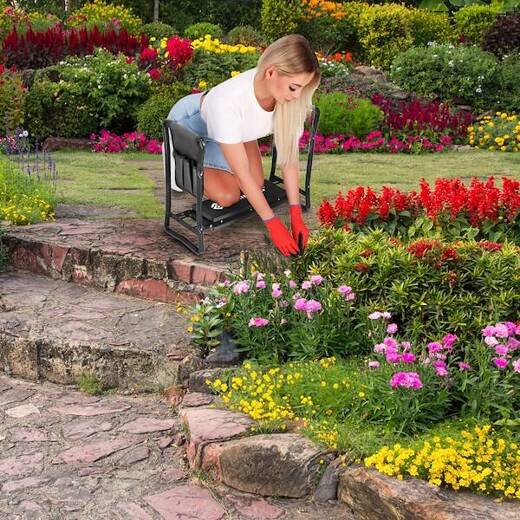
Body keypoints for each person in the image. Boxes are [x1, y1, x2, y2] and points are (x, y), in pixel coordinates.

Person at [167, 34, 321, 257]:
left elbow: (289, 159)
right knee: (229, 195)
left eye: (302, 88)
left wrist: (295, 214)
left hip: (234, 130)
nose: (297, 96)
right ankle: (173, 158)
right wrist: (273, 224)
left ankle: (219, 165)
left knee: (257, 185)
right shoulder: (228, 102)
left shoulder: (289, 99)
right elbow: (242, 176)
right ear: (271, 72)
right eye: (294, 88)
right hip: (192, 127)